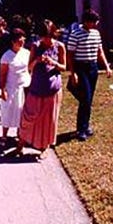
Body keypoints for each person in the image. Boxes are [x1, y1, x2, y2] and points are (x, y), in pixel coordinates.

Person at [15, 20, 66, 159]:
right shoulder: (35, 46)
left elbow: (64, 67)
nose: (46, 39)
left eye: (49, 36)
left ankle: (44, 148)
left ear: (54, 33)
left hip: (53, 90)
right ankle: (20, 145)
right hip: (36, 89)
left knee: (49, 121)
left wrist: (53, 63)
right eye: (43, 36)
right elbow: (29, 68)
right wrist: (37, 60)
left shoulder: (60, 46)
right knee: (28, 117)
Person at [66, 9, 112, 141]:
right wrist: (73, 72)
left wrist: (107, 66)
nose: (96, 24)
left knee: (88, 99)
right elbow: (70, 55)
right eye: (93, 22)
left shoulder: (96, 33)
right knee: (85, 99)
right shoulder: (75, 34)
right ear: (86, 21)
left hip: (93, 67)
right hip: (81, 67)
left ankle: (85, 126)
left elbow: (100, 50)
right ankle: (81, 129)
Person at [0, 28, 30, 143]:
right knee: (7, 111)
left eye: (23, 39)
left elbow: (30, 69)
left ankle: (19, 134)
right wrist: (3, 90)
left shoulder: (27, 53)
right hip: (11, 87)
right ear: (13, 41)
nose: (22, 42)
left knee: (22, 112)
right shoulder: (6, 56)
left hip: (25, 86)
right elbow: (2, 75)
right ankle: (4, 135)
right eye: (19, 40)